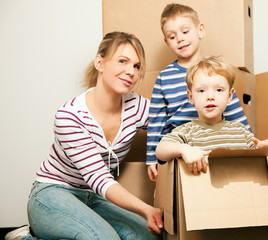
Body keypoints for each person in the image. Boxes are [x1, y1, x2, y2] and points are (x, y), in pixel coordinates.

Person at [6, 32, 163, 240]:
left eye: (136, 66)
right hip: (53, 193)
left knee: (147, 236)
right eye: (122, 61)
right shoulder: (69, 116)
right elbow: (99, 179)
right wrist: (147, 209)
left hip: (94, 198)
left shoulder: (136, 106)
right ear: (100, 62)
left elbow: (169, 124)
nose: (131, 71)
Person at [146, 3, 251, 181]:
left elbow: (233, 110)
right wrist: (151, 158)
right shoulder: (165, 77)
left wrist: (252, 145)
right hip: (181, 148)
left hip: (216, 144)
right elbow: (156, 119)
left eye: (185, 32)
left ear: (200, 30)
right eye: (172, 36)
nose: (180, 39)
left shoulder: (218, 72)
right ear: (167, 42)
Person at [155, 56, 268, 175]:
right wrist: (184, 149)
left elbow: (251, 159)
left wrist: (260, 150)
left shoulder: (240, 131)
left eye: (219, 90)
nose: (210, 97)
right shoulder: (187, 132)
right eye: (202, 91)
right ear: (191, 97)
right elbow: (160, 150)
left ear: (229, 96)